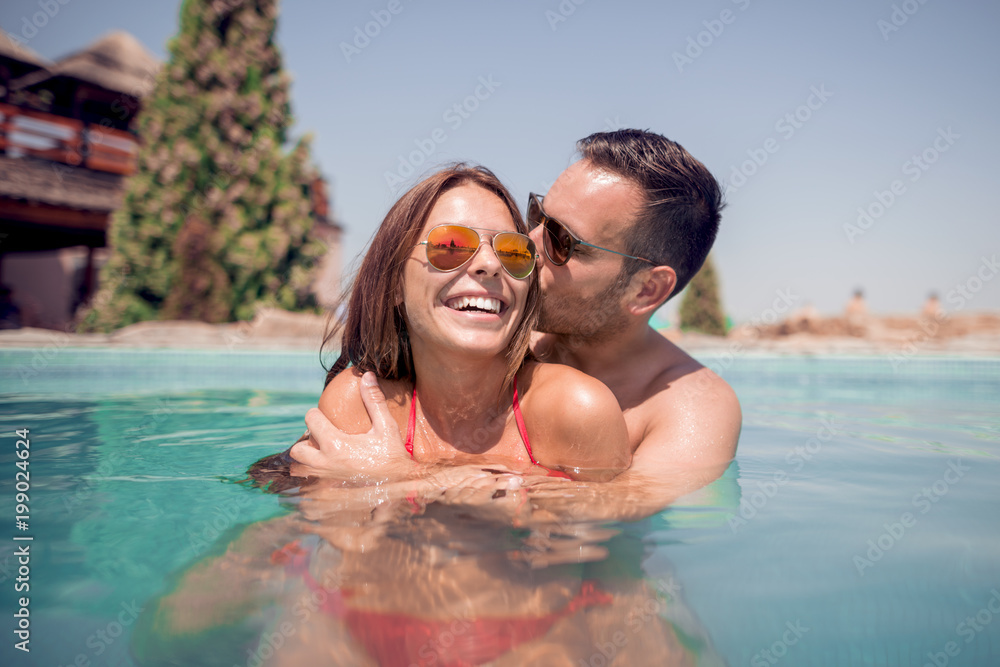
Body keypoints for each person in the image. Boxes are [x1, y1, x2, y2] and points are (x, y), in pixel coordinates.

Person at [293, 129, 742, 520]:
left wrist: (398, 478)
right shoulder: (485, 333)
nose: (526, 244)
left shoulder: (696, 407)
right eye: (537, 216)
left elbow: (611, 510)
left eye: (564, 242)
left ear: (645, 291)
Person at [284, 163, 631, 482]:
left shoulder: (576, 410)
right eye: (450, 245)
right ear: (394, 285)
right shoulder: (360, 404)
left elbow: (607, 538)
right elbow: (342, 543)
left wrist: (401, 478)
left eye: (513, 251)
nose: (490, 265)